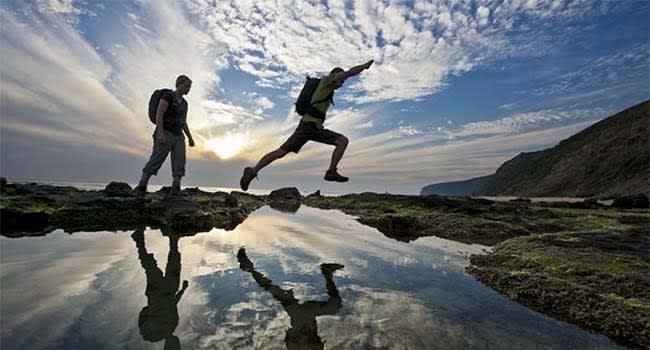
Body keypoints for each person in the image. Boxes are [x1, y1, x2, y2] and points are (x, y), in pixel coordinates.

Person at [239, 60, 374, 191]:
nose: (341, 85)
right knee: (341, 141)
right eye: (341, 81)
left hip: (312, 127)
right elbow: (349, 73)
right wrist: (364, 66)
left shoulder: (327, 89)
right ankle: (331, 172)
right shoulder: (328, 81)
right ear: (336, 77)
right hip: (308, 126)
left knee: (283, 152)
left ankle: (253, 170)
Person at [237, 247, 344, 349]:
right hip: (300, 316)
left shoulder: (296, 344)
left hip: (299, 316)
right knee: (273, 290)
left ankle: (327, 272)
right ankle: (327, 272)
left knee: (273, 290)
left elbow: (292, 337)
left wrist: (303, 337)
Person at [133, 75, 195, 197]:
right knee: (157, 158)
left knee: (179, 161)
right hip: (165, 132)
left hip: (178, 135)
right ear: (178, 84)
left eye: (189, 87)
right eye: (186, 86)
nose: (188, 89)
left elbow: (183, 121)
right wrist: (160, 133)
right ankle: (142, 185)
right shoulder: (168, 96)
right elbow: (159, 114)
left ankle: (176, 188)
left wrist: (190, 138)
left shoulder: (185, 104)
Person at [131, 227, 188, 350]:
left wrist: (151, 307)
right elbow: (173, 304)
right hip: (169, 291)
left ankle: (139, 241)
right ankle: (173, 237)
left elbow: (143, 317)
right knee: (172, 262)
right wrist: (183, 290)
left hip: (157, 293)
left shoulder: (153, 334)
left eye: (176, 346)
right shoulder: (172, 326)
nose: (178, 343)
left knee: (151, 266)